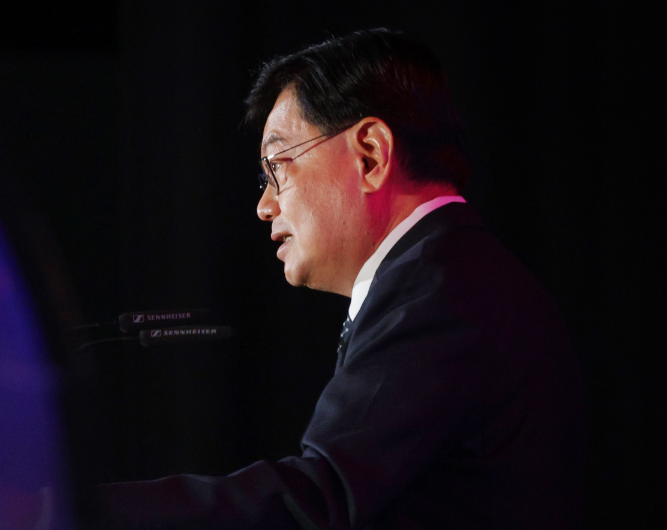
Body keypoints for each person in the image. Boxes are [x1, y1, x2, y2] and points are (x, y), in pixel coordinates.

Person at [93, 28, 585, 529]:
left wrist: (67, 510)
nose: (264, 206)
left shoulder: (442, 291)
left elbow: (318, 501)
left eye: (277, 167)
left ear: (370, 154)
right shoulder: (452, 274)